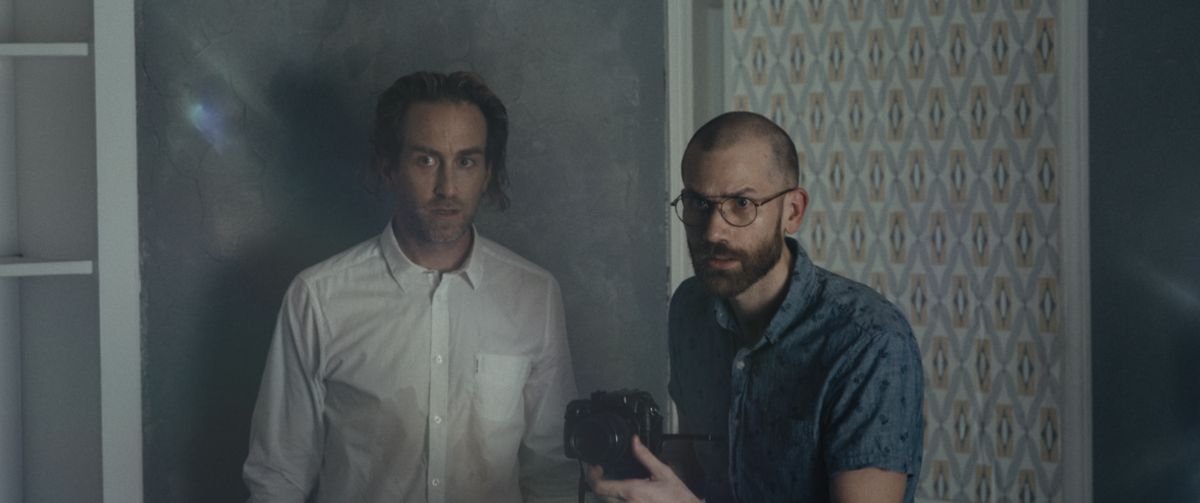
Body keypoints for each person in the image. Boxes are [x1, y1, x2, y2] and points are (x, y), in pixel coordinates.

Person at [243, 71, 578, 503]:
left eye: (466, 162)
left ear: (487, 172)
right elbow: (278, 479)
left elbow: (552, 476)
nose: (447, 188)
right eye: (426, 161)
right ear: (388, 168)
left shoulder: (534, 296)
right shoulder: (318, 298)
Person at [588, 111, 924, 502]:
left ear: (792, 212)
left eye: (742, 203)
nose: (714, 230)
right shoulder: (690, 308)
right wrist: (632, 476)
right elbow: (695, 467)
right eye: (698, 203)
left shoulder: (869, 342)